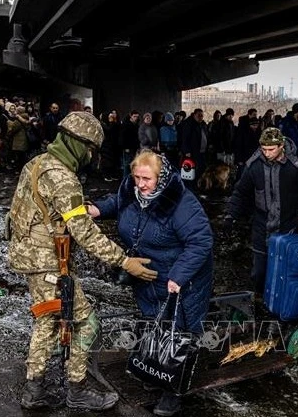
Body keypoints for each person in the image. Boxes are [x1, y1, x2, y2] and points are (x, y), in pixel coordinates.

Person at [7, 111, 158, 411]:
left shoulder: (37, 164)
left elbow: (22, 213)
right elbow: (85, 234)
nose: (91, 156)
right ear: (79, 144)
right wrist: (124, 261)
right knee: (87, 323)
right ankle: (77, 390)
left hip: (29, 258)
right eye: (90, 149)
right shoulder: (63, 178)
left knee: (47, 321)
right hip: (47, 262)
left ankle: (33, 390)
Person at [88, 150, 214, 416]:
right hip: (147, 276)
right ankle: (154, 372)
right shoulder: (132, 191)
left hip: (182, 280)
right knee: (152, 323)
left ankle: (174, 392)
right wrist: (98, 208)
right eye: (136, 178)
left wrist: (178, 276)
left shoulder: (181, 202)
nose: (141, 184)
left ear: (162, 177)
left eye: (147, 179)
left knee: (177, 333)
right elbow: (118, 202)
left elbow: (201, 242)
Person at [224, 127, 298, 294]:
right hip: (262, 225)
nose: (267, 153)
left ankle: (283, 304)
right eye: (263, 149)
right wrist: (230, 214)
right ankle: (260, 301)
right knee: (259, 272)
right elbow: (240, 192)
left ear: (281, 146)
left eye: (271, 149)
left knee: (286, 270)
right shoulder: (254, 165)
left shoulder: (297, 163)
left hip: (289, 225)